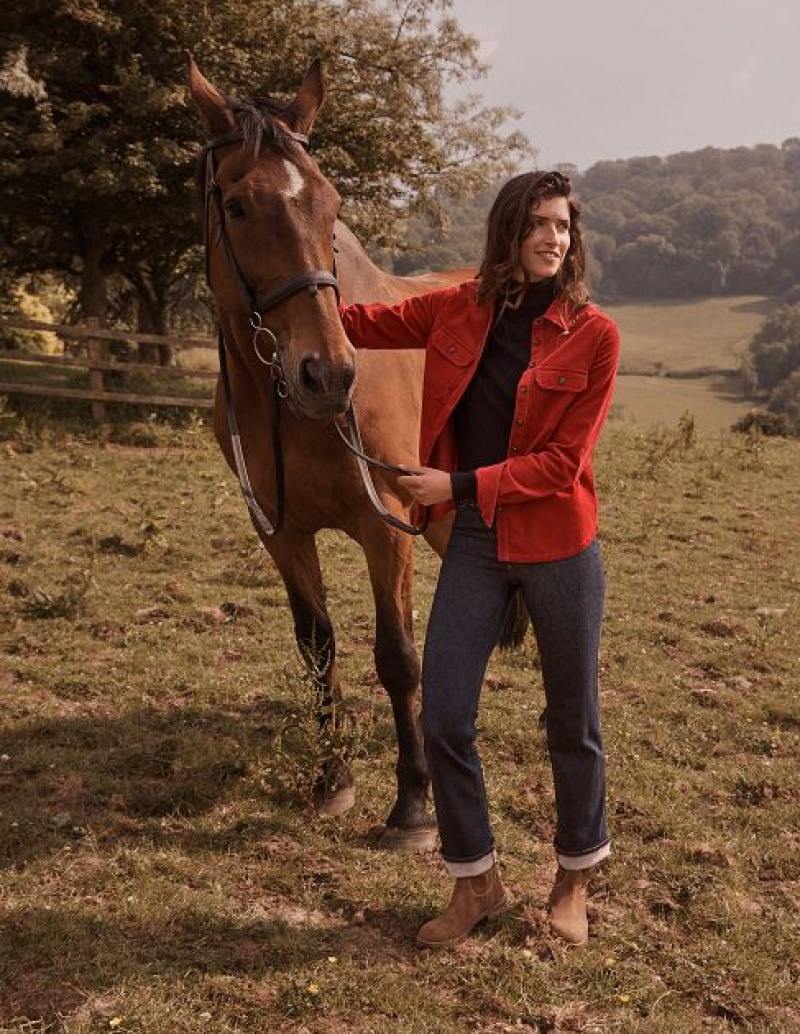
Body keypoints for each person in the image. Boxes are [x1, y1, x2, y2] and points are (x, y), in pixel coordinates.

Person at [339, 170, 620, 948]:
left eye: (562, 226)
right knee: (446, 718)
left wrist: (453, 483)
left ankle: (572, 883)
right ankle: (476, 884)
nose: (552, 239)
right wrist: (280, 286)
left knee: (573, 721)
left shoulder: (595, 334)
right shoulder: (457, 311)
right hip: (475, 543)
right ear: (507, 232)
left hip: (561, 545)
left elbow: (562, 467)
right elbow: (360, 319)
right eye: (537, 224)